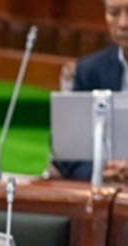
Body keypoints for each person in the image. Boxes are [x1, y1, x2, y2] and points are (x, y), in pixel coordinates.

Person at [51, 0, 128, 181]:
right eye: (114, 13)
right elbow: (66, 147)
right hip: (105, 188)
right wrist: (98, 171)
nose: (124, 23)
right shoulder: (90, 70)